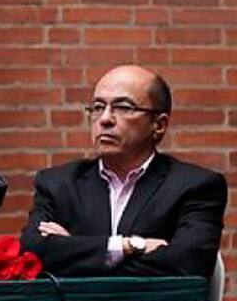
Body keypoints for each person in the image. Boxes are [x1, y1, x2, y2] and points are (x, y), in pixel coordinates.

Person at [22, 64, 226, 277]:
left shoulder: (195, 186)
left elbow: (188, 265)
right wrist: (128, 246)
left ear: (159, 124)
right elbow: (32, 254)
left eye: (123, 107)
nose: (105, 119)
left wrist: (74, 251)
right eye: (98, 107)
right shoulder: (58, 184)